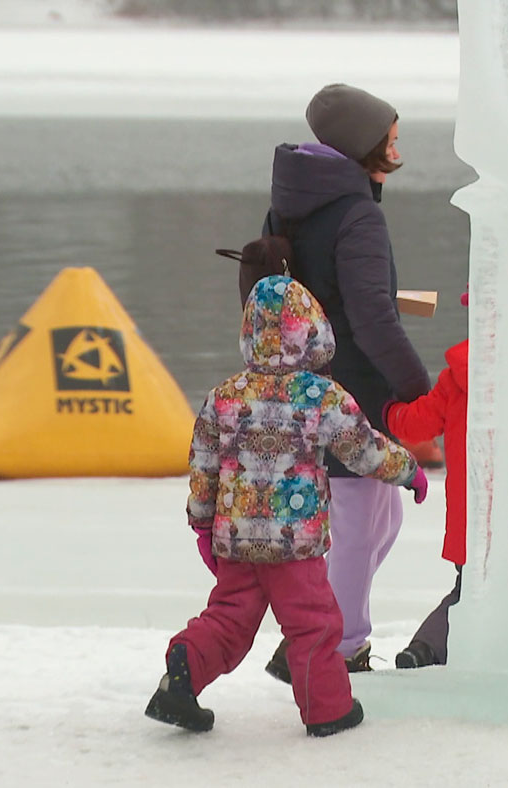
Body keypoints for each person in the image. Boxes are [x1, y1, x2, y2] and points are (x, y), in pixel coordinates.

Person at [144, 275, 428, 737]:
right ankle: (328, 710)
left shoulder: (225, 397)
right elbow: (363, 450)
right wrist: (408, 471)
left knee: (229, 620)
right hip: (294, 545)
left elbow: (203, 467)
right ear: (311, 331)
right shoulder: (320, 396)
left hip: (236, 540)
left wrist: (202, 525)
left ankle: (184, 667)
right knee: (313, 624)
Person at [261, 83, 433, 680]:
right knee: (361, 524)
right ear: (367, 147)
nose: (397, 148)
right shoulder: (356, 213)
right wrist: (421, 393)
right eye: (391, 139)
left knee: (382, 520)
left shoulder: (293, 202)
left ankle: (314, 633)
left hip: (306, 383)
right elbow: (371, 317)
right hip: (352, 395)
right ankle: (338, 648)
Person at [382, 290, 470, 669]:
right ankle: (429, 649)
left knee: (468, 591)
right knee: (483, 594)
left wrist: (385, 411)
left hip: (471, 518)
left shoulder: (457, 379)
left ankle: (424, 648)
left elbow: (417, 423)